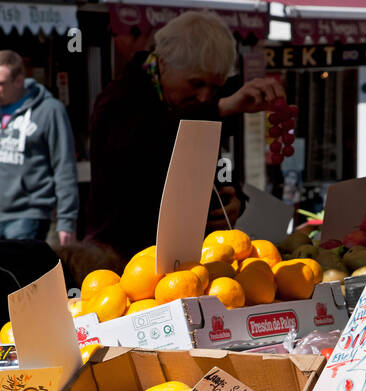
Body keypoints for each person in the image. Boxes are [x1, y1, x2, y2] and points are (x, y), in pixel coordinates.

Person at [85, 11, 283, 261]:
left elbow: (217, 165)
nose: (204, 96)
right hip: (122, 256)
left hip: (190, 259)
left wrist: (234, 199)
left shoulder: (199, 108)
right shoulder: (119, 100)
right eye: (196, 83)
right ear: (164, 63)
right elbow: (145, 144)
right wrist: (219, 109)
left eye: (214, 87)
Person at [0, 49, 79, 245]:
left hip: (29, 215)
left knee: (22, 275)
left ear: (19, 81)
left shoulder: (49, 110)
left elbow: (64, 167)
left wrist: (66, 221)